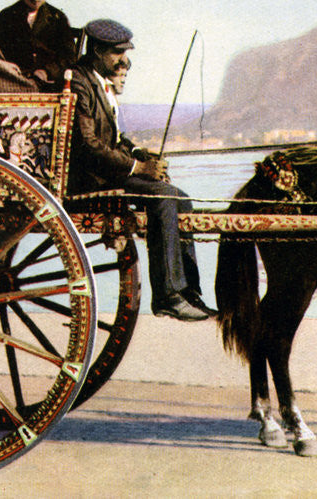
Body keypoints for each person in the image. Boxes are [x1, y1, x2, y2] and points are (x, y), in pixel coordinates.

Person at [68, 19, 214, 321]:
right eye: (117, 53)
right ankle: (166, 296)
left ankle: (189, 291)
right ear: (97, 50)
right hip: (91, 178)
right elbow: (90, 145)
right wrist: (139, 167)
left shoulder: (100, 82)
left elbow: (116, 138)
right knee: (164, 197)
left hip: (110, 170)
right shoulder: (81, 82)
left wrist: (139, 153)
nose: (124, 60)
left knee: (181, 198)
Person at [0, 0, 77, 87]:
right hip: (13, 84)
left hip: (48, 86)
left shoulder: (58, 18)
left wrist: (47, 72)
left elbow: (69, 58)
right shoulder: (6, 17)